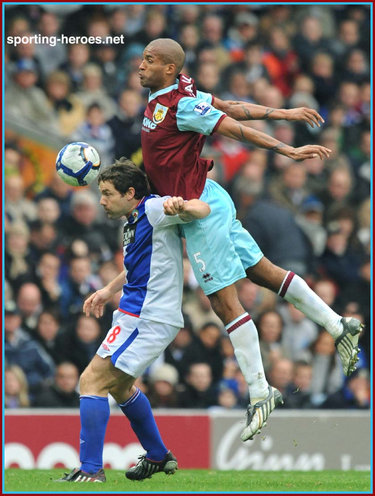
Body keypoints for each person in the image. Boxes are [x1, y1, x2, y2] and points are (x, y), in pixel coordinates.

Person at [138, 38, 364, 441]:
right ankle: (339, 324)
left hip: (200, 211)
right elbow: (230, 104)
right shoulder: (176, 90)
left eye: (149, 60)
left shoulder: (182, 104)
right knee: (262, 272)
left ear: (170, 68)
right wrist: (286, 112)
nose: (140, 66)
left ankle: (261, 391)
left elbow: (234, 127)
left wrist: (288, 149)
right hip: (209, 197)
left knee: (224, 303)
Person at [57, 159, 210, 483]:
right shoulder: (131, 221)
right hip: (136, 311)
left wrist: (183, 205)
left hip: (148, 315)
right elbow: (140, 265)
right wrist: (108, 290)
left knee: (92, 381)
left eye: (108, 193)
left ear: (131, 193)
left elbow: (203, 210)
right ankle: (157, 455)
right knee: (122, 387)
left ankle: (90, 469)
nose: (102, 201)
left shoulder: (154, 208)